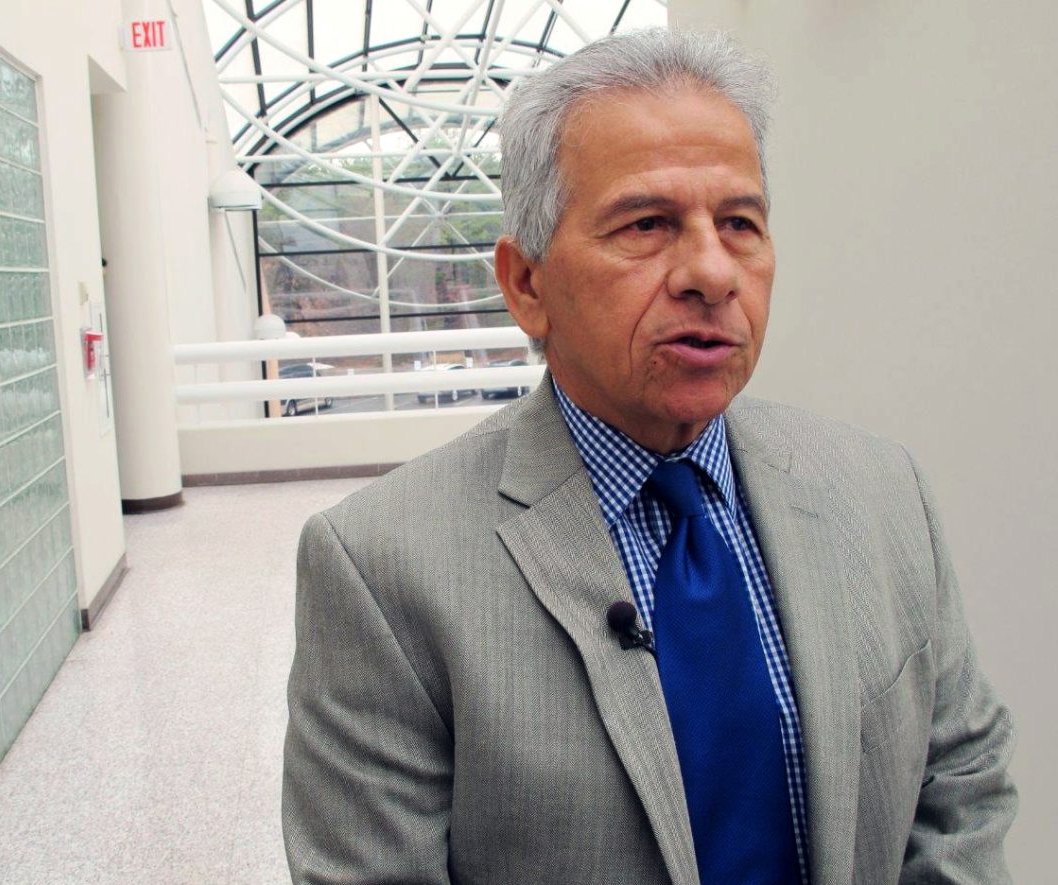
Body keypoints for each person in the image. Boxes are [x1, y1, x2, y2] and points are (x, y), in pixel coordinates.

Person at [282, 28, 1016, 885]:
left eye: (739, 223)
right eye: (648, 224)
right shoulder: (379, 567)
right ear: (527, 284)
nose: (712, 271)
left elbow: (960, 780)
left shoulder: (882, 492)